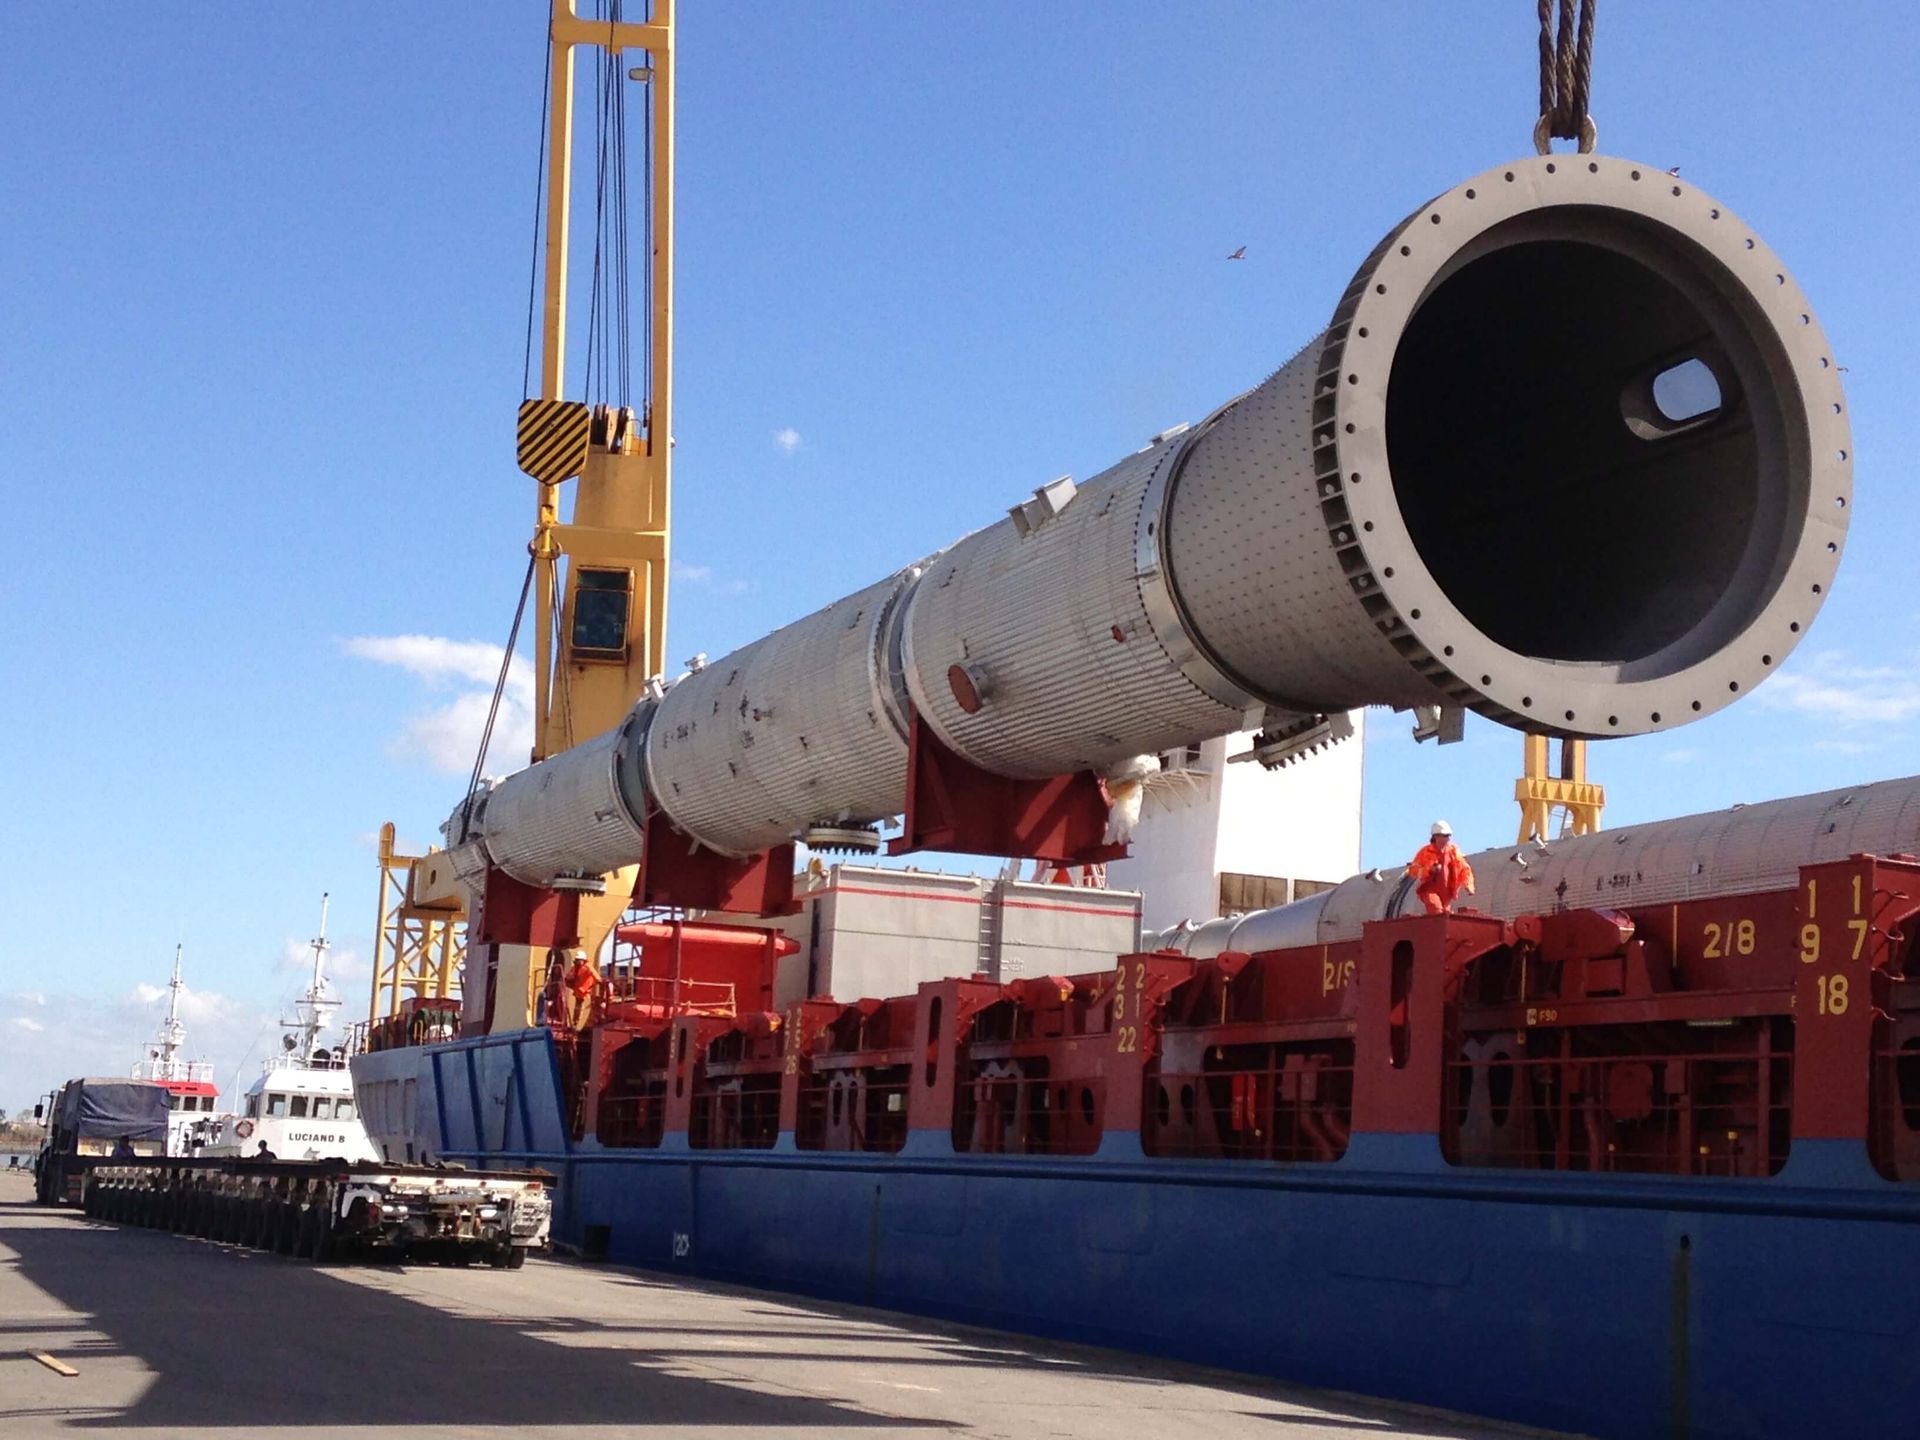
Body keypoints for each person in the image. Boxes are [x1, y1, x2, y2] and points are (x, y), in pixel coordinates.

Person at [1407, 819, 1476, 914]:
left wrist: (1468, 885)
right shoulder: (1425, 852)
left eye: (1448, 836)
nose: (1448, 839)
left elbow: (1465, 869)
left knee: (1446, 916)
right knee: (1436, 910)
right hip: (1430, 890)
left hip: (1447, 893)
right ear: (1436, 836)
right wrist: (1429, 870)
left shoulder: (1453, 852)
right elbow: (1413, 871)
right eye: (1445, 836)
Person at [564, 949, 602, 1029]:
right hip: (579, 990)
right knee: (577, 1007)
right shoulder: (575, 967)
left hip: (585, 990)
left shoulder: (588, 967)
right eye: (577, 960)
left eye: (579, 960)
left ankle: (579, 1024)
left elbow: (595, 975)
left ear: (583, 960)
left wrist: (599, 981)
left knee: (582, 1007)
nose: (578, 962)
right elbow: (569, 976)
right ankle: (575, 1022)